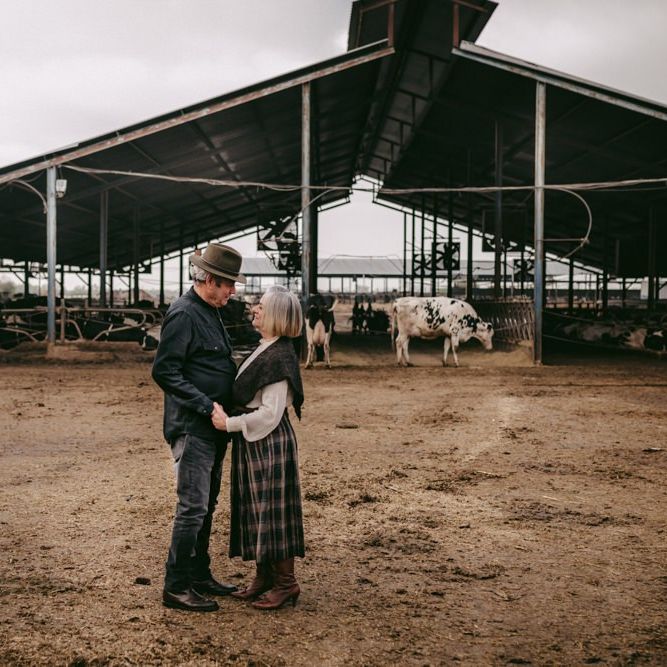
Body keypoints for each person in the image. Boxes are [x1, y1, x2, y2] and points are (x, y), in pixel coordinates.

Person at [151, 243, 245, 612]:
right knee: (192, 507)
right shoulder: (184, 313)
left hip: (213, 427)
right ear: (209, 280)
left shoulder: (210, 311)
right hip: (194, 425)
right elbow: (165, 371)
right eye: (228, 284)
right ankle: (175, 586)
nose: (232, 291)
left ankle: (199, 574)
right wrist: (206, 405)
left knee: (206, 504)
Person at [211, 288, 305, 610]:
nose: (254, 309)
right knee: (258, 509)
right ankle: (265, 577)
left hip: (269, 441)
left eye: (261, 306)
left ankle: (286, 583)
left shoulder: (279, 357)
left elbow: (270, 414)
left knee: (274, 511)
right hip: (256, 441)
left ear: (276, 315)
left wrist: (230, 424)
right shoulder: (267, 347)